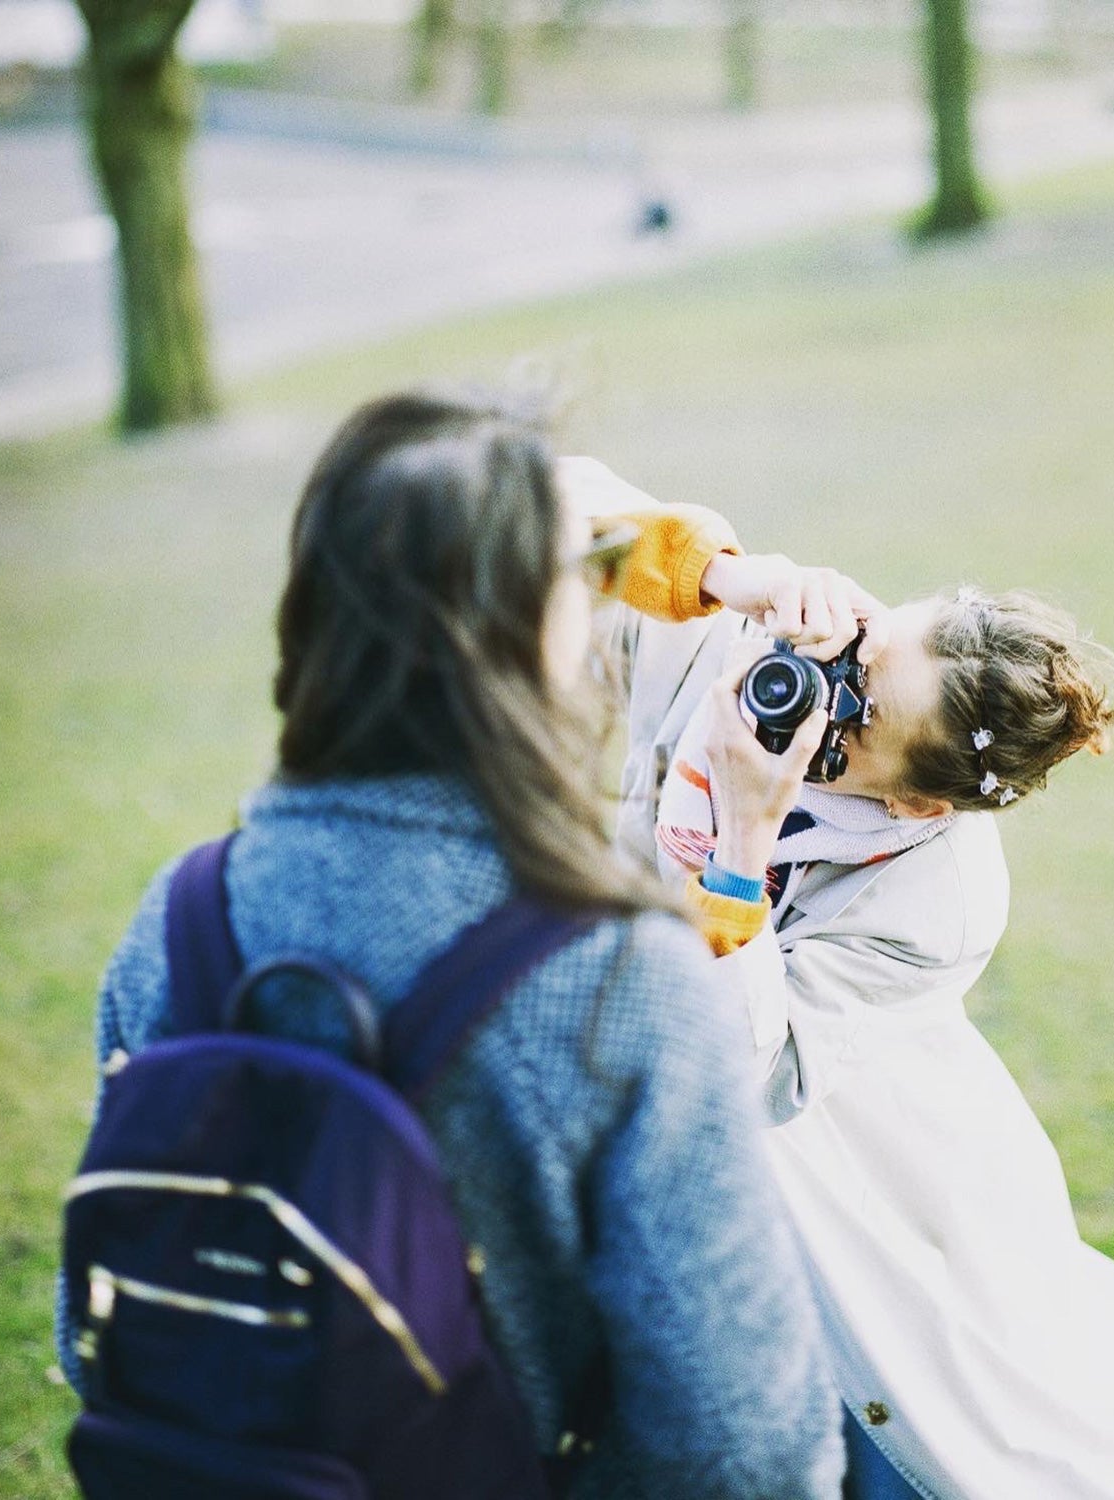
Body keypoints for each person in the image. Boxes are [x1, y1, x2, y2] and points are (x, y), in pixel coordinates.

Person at [56, 393, 846, 1499]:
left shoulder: (179, 920)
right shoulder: (620, 984)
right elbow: (740, 1449)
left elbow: (91, 1328)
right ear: (534, 640)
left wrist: (716, 577)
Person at [563, 457, 1114, 1500]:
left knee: (931, 1423)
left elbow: (732, 1078)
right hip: (610, 1116)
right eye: (858, 649)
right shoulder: (733, 637)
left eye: (859, 718)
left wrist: (740, 839)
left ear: (919, 805)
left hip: (832, 1153)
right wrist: (728, 574)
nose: (818, 694)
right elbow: (514, 521)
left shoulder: (937, 898)